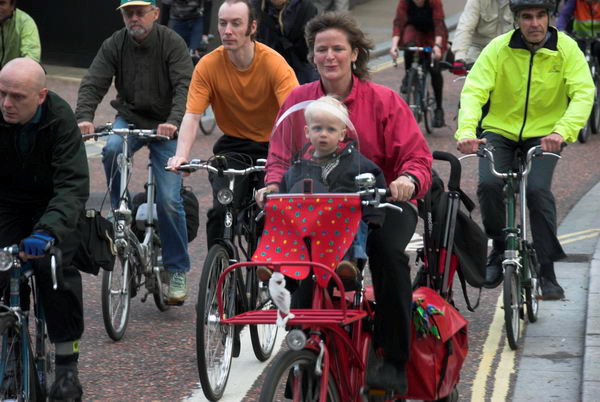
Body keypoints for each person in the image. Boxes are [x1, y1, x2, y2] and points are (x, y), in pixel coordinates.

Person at [257, 12, 433, 393]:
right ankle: (303, 356)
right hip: (319, 205)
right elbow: (280, 157)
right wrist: (272, 184)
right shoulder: (299, 100)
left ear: (356, 54)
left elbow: (418, 159)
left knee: (387, 255)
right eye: (322, 49)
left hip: (380, 203)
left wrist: (406, 180)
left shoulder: (383, 100)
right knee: (300, 262)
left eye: (339, 48)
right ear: (312, 55)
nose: (330, 56)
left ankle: (392, 358)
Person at [455, 0, 594, 300]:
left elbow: (583, 92)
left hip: (547, 134)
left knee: (537, 191)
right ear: (516, 19)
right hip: (499, 131)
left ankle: (547, 270)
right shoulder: (498, 48)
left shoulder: (566, 49)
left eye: (541, 16)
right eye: (527, 17)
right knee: (490, 185)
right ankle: (499, 249)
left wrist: (563, 131)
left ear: (550, 17)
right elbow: (474, 91)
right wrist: (467, 131)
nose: (535, 23)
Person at [75, 0, 193, 304]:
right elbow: (94, 81)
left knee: (168, 199)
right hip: (130, 118)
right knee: (112, 147)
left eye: (141, 12)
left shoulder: (172, 42)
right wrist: (84, 117)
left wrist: (173, 121)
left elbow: (185, 86)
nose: (135, 18)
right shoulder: (115, 43)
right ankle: (119, 215)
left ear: (155, 13)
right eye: (129, 13)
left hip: (167, 123)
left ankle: (176, 268)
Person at [167, 0, 298, 252]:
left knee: (269, 213)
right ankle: (219, 273)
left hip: (273, 147)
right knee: (220, 211)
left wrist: (293, 158)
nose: (227, 30)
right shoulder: (208, 65)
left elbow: (292, 117)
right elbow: (192, 115)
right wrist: (181, 156)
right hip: (233, 145)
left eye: (236, 24)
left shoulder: (274, 64)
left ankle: (265, 277)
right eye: (222, 23)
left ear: (252, 27)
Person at [0, 58, 89, 400]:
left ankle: (66, 366)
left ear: (40, 96)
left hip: (52, 201)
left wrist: (47, 231)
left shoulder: (60, 119)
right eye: (3, 94)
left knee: (53, 268)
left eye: (17, 97)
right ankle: (8, 358)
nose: (7, 103)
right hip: (7, 202)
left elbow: (73, 185)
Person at [269, 95, 387, 281]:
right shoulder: (299, 165)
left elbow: (374, 180)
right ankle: (273, 263)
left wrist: (373, 215)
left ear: (342, 134)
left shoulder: (356, 163)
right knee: (280, 225)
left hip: (341, 224)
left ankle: (349, 261)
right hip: (308, 223)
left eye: (331, 129)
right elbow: (286, 187)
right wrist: (276, 198)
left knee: (356, 223)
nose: (323, 134)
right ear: (307, 132)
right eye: (317, 128)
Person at [390, 0, 449, 128]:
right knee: (409, 47)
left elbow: (439, 24)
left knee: (435, 69)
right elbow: (398, 23)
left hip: (432, 34)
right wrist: (394, 46)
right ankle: (409, 75)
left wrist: (438, 46)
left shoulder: (434, 2)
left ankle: (438, 109)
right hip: (414, 33)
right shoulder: (405, 2)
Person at [253, 0, 320, 84]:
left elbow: (307, 50)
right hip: (265, 70)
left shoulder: (306, 8)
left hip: (300, 71)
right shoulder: (254, 7)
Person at [451, 0, 513, 65]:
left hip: (507, 47)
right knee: (472, 67)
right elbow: (466, 26)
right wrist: (460, 58)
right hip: (479, 48)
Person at [0, 0, 41, 68]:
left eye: (1, 3)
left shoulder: (25, 22)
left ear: (12, 6)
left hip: (14, 73)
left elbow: (31, 56)